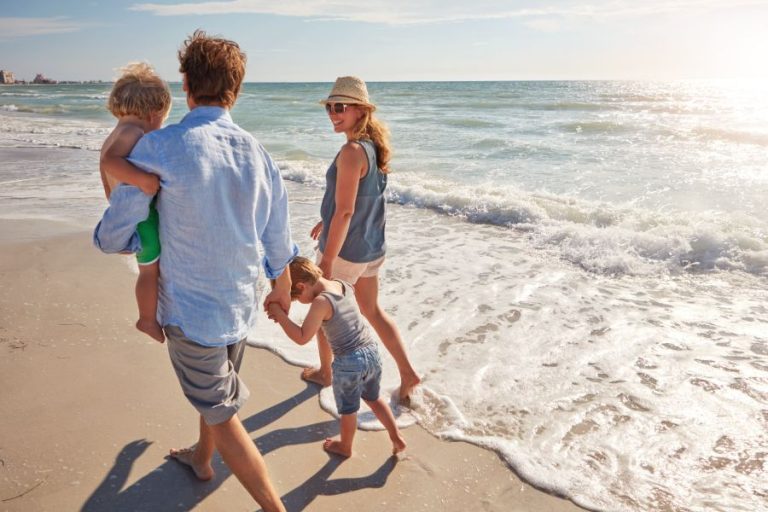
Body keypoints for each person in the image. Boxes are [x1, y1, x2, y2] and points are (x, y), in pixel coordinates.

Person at [93, 30, 297, 512]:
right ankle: (201, 460)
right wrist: (280, 288)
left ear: (185, 85)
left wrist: (121, 235)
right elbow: (277, 234)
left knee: (222, 413)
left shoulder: (159, 148)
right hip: (238, 302)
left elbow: (113, 236)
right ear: (238, 90)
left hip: (191, 310)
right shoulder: (258, 153)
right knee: (217, 397)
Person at [302, 76, 420, 403]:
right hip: (371, 248)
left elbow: (346, 211)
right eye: (329, 107)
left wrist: (326, 260)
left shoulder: (352, 151)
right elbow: (357, 201)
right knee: (371, 310)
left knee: (322, 306)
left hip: (346, 251)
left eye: (340, 107)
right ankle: (409, 374)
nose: (333, 113)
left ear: (360, 110)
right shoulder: (373, 148)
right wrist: (326, 218)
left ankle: (326, 372)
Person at [268, 257, 406, 458]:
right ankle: (396, 436)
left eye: (297, 298)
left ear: (301, 286)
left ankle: (345, 447)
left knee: (348, 409)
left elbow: (301, 337)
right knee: (374, 398)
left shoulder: (320, 302)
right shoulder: (342, 284)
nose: (300, 303)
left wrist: (280, 316)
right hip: (371, 352)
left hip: (349, 362)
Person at [99, 62, 170, 343]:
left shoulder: (116, 134)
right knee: (149, 271)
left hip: (131, 216)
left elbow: (108, 181)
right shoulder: (132, 133)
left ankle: (150, 316)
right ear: (153, 114)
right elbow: (110, 163)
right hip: (142, 219)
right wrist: (144, 181)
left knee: (149, 269)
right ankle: (147, 319)